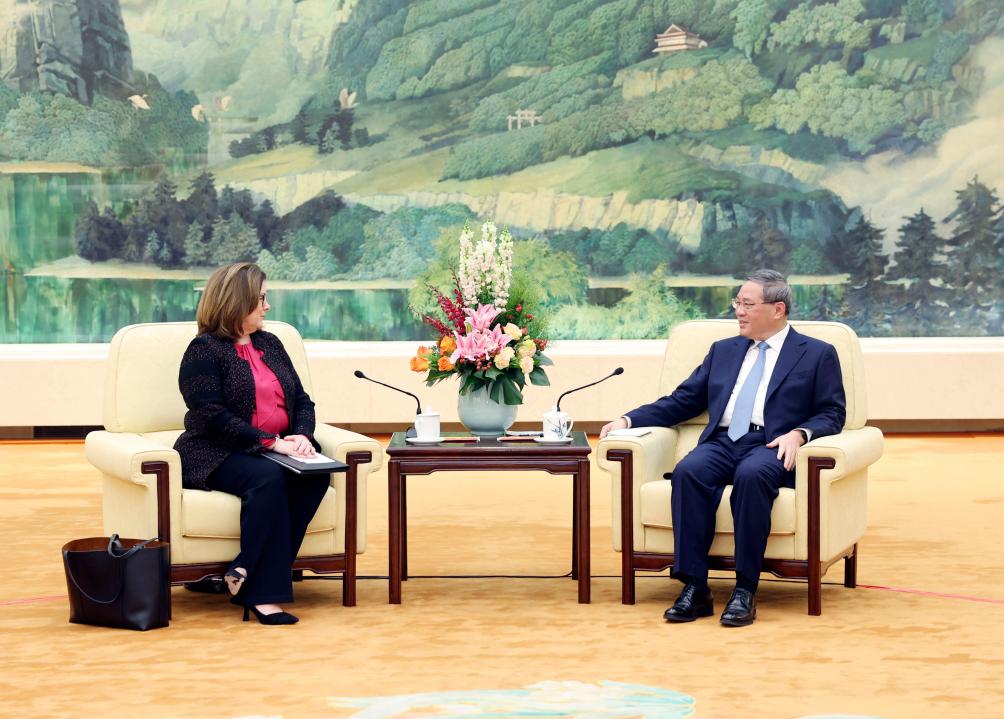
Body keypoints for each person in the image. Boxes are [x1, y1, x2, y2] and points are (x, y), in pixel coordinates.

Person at [600, 269, 845, 627]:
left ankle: (744, 589)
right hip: (724, 440)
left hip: (771, 443)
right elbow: (683, 401)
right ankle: (695, 587)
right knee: (689, 472)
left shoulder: (816, 354)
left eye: (747, 304)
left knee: (751, 477)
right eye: (737, 303)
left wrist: (800, 433)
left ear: (777, 309)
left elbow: (833, 412)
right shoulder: (723, 351)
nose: (738, 311)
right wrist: (628, 420)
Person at [174, 262, 325, 625]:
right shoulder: (203, 350)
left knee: (316, 473)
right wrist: (271, 444)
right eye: (260, 299)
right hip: (214, 450)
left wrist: (301, 435)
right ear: (236, 302)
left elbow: (301, 400)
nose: (267, 306)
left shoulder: (271, 343)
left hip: (276, 447)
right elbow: (210, 415)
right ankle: (263, 596)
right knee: (266, 478)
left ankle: (244, 568)